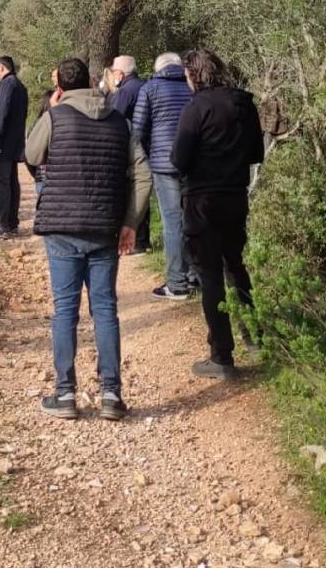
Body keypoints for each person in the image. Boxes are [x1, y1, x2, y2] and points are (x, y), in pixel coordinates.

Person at [26, 57, 151, 421]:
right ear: (94, 82)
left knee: (65, 310)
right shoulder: (120, 123)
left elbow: (31, 155)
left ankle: (65, 395)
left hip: (63, 227)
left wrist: (49, 112)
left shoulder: (55, 117)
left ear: (61, 88)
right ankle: (111, 393)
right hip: (104, 227)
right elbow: (143, 175)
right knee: (105, 310)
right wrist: (131, 222)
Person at [172, 48, 264, 380]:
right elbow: (257, 153)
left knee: (209, 274)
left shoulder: (196, 108)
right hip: (236, 195)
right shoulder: (244, 104)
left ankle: (221, 356)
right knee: (236, 265)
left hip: (202, 200)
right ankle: (255, 337)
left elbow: (179, 159)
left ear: (194, 74)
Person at [133, 52, 193, 300]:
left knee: (172, 222)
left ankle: (177, 283)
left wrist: (147, 156)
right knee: (191, 219)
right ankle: (194, 276)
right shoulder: (193, 86)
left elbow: (138, 129)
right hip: (192, 162)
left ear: (158, 68)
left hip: (163, 163)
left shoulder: (150, 88)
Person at [0, 56, 28, 241]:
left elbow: (1, 114)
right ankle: (11, 222)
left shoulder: (8, 85)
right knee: (10, 182)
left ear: (2, 68)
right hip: (12, 144)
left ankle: (2, 224)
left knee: (1, 183)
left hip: (2, 145)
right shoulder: (19, 85)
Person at [108, 56, 150, 253]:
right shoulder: (145, 86)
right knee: (144, 191)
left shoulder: (125, 91)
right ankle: (144, 240)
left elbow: (114, 118)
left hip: (132, 147)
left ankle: (136, 240)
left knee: (132, 192)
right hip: (150, 146)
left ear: (120, 74)